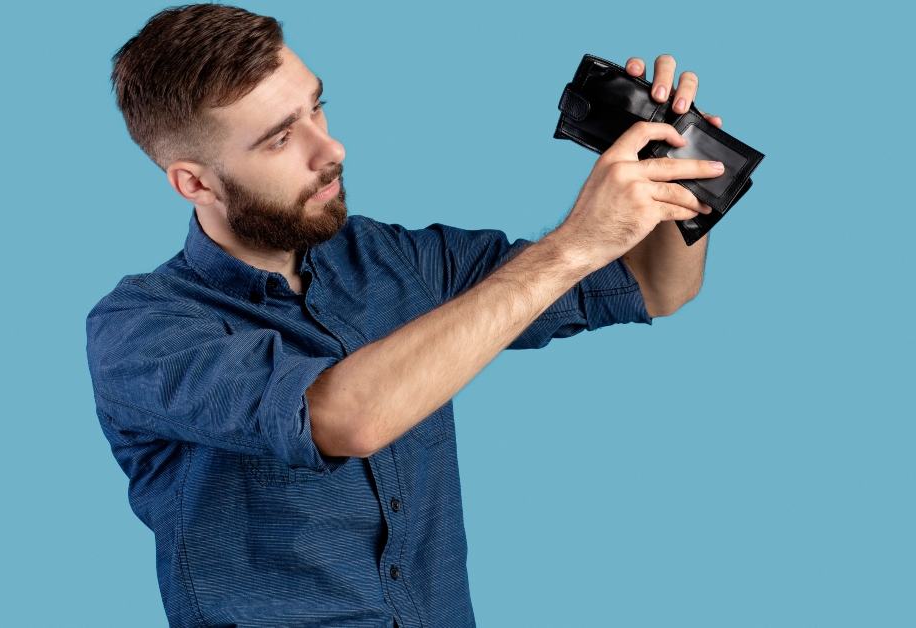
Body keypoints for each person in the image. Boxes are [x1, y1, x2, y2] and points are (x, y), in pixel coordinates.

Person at [86, 4, 728, 626]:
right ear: (194, 183)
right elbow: (342, 418)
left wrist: (680, 173)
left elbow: (652, 287)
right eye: (282, 138)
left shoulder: (394, 260)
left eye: (316, 106)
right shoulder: (141, 330)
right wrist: (571, 247)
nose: (329, 148)